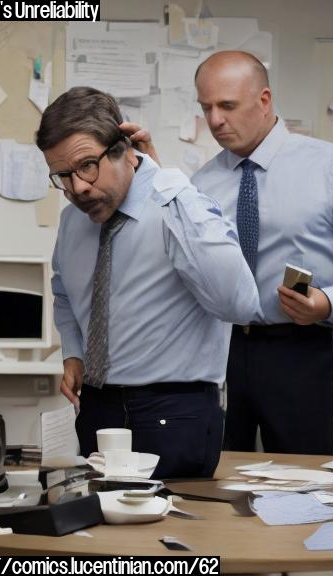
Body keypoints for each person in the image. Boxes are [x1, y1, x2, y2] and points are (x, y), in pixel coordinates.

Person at [128, 51, 333, 455]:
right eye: (207, 108)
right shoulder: (202, 183)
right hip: (218, 354)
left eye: (227, 106)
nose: (215, 120)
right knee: (213, 478)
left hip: (299, 351)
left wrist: (328, 303)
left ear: (264, 100)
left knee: (304, 485)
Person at [40, 87, 259, 479]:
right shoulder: (74, 220)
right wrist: (73, 351)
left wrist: (169, 183)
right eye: (63, 176)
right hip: (95, 409)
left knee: (180, 536)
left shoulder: (181, 206)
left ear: (124, 147)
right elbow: (62, 290)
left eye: (87, 165)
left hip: (174, 412)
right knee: (97, 535)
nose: (78, 189)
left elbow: (239, 303)